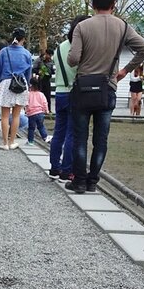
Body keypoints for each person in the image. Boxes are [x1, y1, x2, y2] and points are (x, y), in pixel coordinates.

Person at [67, 0, 144, 193]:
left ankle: (79, 181)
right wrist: (124, 71)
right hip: (107, 88)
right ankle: (93, 181)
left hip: (84, 88)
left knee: (80, 137)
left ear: (93, 4)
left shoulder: (82, 27)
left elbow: (73, 59)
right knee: (100, 139)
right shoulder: (122, 27)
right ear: (113, 5)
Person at [48, 14, 89, 182]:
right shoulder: (80, 47)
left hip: (59, 92)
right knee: (73, 133)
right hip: (74, 92)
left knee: (59, 131)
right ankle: (67, 170)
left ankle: (54, 167)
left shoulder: (59, 47)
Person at [0, 28, 33, 151]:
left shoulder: (4, 52)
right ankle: (12, 142)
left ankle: (4, 143)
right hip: (20, 84)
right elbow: (28, 73)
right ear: (23, 39)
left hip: (5, 82)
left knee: (4, 115)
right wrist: (27, 84)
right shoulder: (27, 54)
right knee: (16, 115)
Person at [24, 80, 49, 145]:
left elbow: (26, 103)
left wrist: (26, 111)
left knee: (31, 128)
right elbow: (45, 103)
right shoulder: (41, 94)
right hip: (40, 113)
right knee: (41, 126)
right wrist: (46, 110)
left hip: (31, 113)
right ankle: (45, 137)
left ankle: (30, 141)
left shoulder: (28, 94)